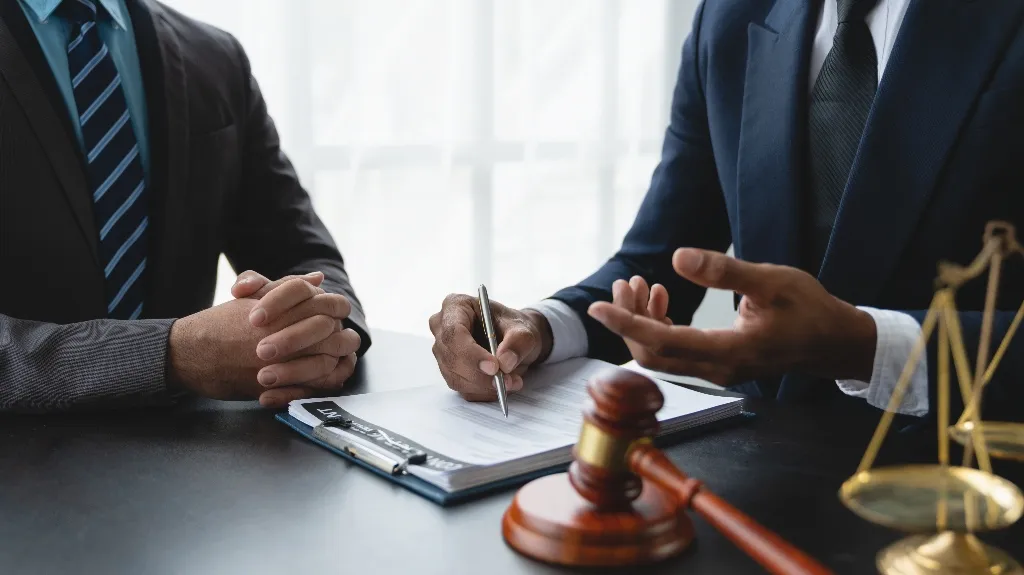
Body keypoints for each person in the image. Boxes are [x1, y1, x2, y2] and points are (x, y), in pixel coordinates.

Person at [430, 0, 1024, 421]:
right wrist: (539, 327)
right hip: (759, 481)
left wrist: (864, 346)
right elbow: (659, 260)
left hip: (970, 488)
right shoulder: (730, 16)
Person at [0, 0, 368, 412]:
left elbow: (302, 254)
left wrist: (320, 328)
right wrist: (170, 354)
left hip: (200, 441)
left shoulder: (216, 57)